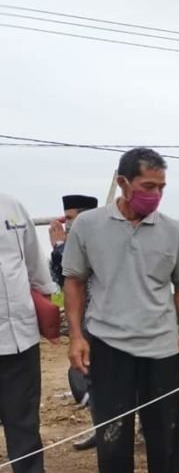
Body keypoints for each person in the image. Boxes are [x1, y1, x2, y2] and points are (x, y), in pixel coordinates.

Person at [62, 147, 179, 473]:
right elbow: (74, 280)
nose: (155, 194)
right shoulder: (88, 225)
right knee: (112, 429)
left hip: (160, 345)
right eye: (147, 186)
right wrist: (76, 336)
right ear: (123, 182)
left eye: (161, 187)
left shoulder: (173, 231)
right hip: (107, 343)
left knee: (165, 429)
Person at [0, 193, 57, 473]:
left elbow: (35, 265)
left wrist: (44, 307)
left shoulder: (12, 207)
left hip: (19, 335)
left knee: (23, 419)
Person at [49, 194, 99, 452]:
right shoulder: (71, 244)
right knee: (88, 375)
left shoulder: (98, 238)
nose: (65, 223)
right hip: (85, 321)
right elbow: (63, 280)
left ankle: (142, 430)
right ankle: (102, 428)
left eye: (70, 218)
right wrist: (59, 248)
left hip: (103, 320)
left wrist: (60, 247)